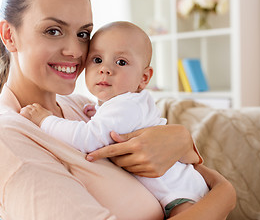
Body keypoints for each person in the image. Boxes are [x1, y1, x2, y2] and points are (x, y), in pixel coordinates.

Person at [0, 0, 236, 219]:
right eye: (53, 31)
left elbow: (179, 168)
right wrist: (225, 194)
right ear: (9, 35)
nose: (75, 51)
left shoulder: (78, 106)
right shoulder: (6, 135)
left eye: (83, 34)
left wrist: (181, 138)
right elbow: (213, 188)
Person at [19, 21, 209, 218]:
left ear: (144, 78)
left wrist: (45, 121)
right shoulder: (122, 103)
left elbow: (87, 138)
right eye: (97, 59)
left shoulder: (126, 106)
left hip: (181, 193)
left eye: (121, 62)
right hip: (180, 186)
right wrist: (98, 112)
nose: (105, 69)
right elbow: (114, 126)